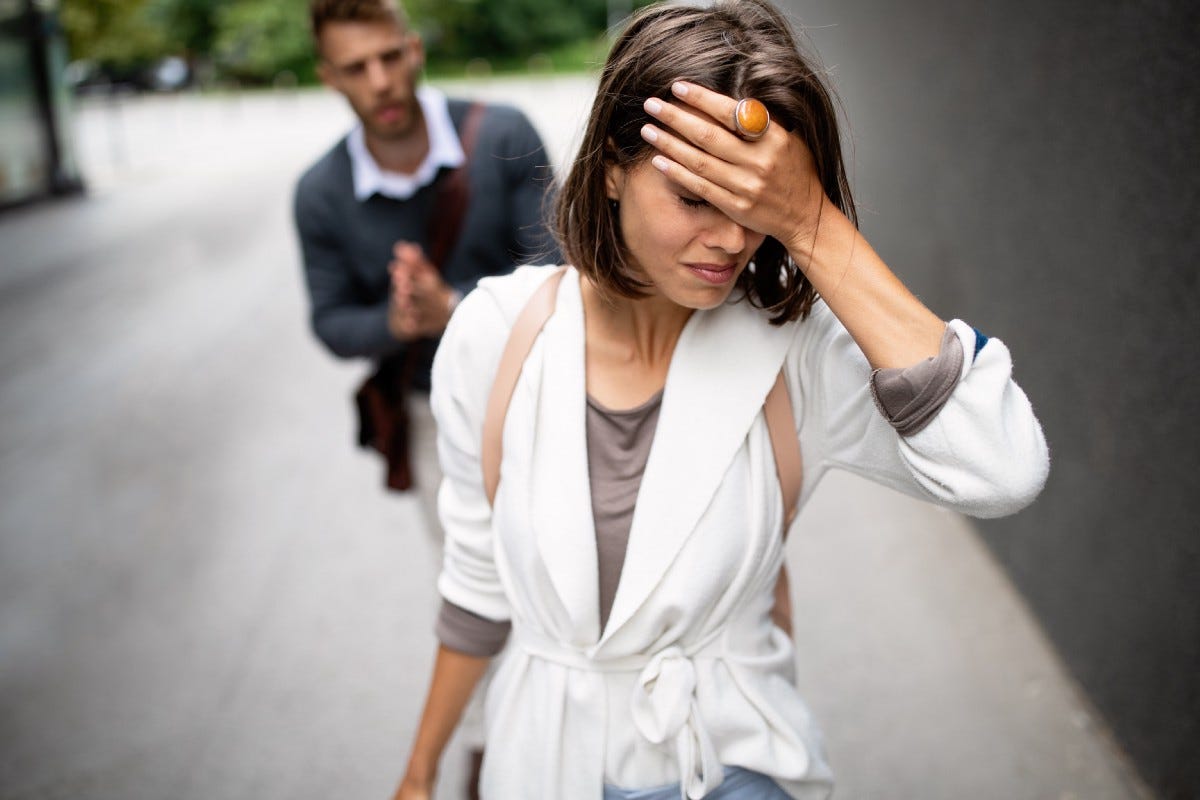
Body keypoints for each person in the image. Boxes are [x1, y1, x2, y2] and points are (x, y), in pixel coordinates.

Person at [395, 1, 1050, 798]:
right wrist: (421, 771)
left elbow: (1003, 469)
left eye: (758, 205)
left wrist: (813, 223)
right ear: (609, 167)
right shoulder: (495, 334)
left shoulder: (796, 353)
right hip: (544, 763)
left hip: (733, 763)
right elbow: (475, 589)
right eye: (695, 197)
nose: (734, 240)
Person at [293, 0, 557, 794]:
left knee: (566, 569)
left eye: (388, 57)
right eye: (355, 67)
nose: (380, 82)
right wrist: (395, 320)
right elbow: (332, 322)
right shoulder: (320, 193)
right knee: (473, 585)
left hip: (548, 399)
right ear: (328, 77)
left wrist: (459, 308)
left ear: (412, 50)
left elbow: (565, 270)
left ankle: (578, 732)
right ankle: (487, 753)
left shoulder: (504, 133)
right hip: (432, 419)